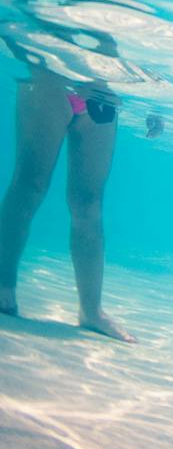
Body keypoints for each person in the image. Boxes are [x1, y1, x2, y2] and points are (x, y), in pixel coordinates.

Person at [0, 64, 151, 341]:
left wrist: (154, 112)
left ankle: (91, 311)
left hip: (101, 95)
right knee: (30, 185)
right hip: (49, 80)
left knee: (89, 202)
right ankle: (3, 288)